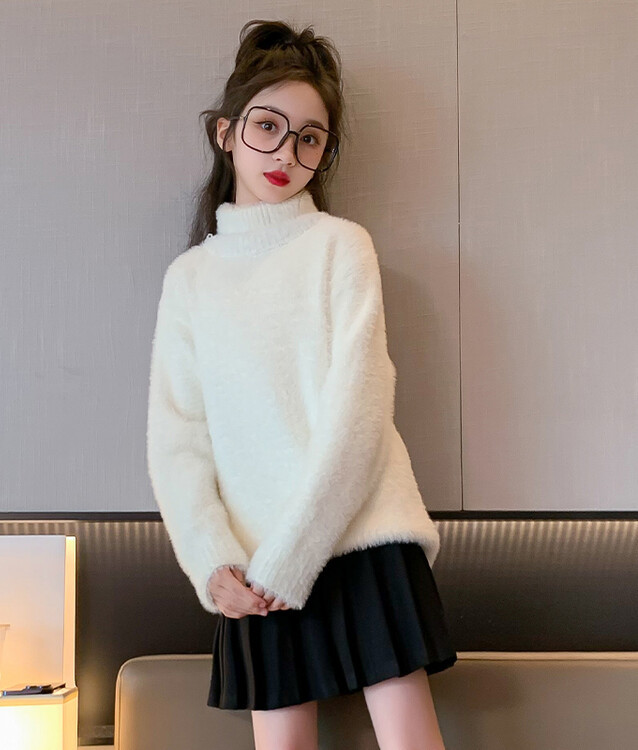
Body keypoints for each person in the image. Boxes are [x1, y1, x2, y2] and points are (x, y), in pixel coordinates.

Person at [146, 18, 457, 750]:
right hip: (254, 569)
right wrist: (212, 561)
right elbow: (177, 437)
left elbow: (360, 412)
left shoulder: (340, 247)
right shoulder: (191, 279)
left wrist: (293, 556)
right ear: (225, 133)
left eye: (309, 138)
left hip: (359, 538)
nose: (287, 153)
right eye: (268, 127)